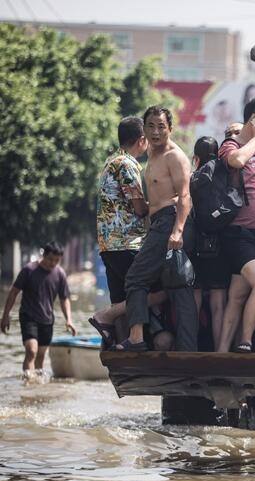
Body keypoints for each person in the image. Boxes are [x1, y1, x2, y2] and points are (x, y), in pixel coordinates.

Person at [117, 106, 198, 352]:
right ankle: (187, 350)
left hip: (172, 222)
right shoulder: (152, 154)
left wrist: (177, 231)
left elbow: (185, 196)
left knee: (135, 279)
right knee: (177, 286)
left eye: (161, 126)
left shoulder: (175, 156)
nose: (155, 132)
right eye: (150, 126)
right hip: (160, 223)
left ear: (170, 129)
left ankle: (136, 339)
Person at [90, 116, 162, 346]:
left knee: (120, 297)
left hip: (108, 245)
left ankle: (120, 345)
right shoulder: (128, 164)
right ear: (141, 140)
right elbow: (140, 208)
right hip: (127, 243)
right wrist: (162, 205)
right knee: (154, 291)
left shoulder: (110, 161)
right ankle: (104, 317)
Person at [217, 97, 255, 353]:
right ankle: (245, 341)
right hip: (237, 232)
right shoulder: (231, 144)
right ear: (254, 119)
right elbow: (237, 161)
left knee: (238, 295)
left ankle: (221, 352)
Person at [1, 242, 76, 378]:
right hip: (28, 316)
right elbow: (13, 293)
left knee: (41, 356)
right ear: (44, 255)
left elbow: (64, 298)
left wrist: (69, 319)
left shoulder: (60, 274)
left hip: (47, 319)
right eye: (50, 259)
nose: (53, 263)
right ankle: (28, 383)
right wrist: (5, 316)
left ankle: (37, 387)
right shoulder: (29, 270)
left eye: (56, 260)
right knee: (31, 351)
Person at [189, 136, 230, 350]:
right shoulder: (224, 173)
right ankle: (219, 351)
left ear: (196, 157)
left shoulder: (193, 176)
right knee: (218, 303)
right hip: (220, 244)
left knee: (194, 299)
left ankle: (192, 347)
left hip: (196, 244)